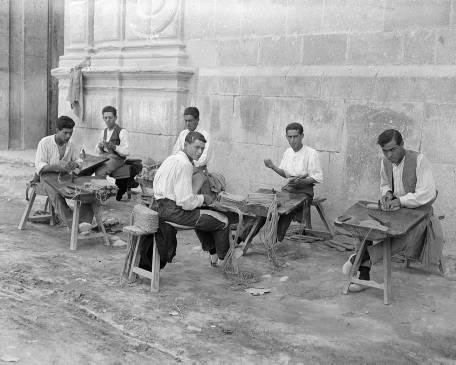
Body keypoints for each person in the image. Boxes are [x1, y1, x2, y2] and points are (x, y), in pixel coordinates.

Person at [342, 129, 444, 292]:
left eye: (392, 149)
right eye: (385, 151)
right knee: (365, 225)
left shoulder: (419, 160)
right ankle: (364, 274)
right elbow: (384, 184)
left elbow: (427, 193)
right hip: (396, 211)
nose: (389, 155)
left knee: (401, 236)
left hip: (419, 213)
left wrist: (401, 201)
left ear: (402, 144)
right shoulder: (385, 162)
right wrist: (388, 194)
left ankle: (359, 259)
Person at [151, 131, 230, 267]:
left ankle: (213, 254)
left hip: (159, 208)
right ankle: (224, 260)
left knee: (203, 215)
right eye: (196, 147)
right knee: (223, 220)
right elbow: (186, 203)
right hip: (175, 213)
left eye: (202, 149)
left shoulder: (171, 159)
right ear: (186, 144)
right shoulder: (185, 164)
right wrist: (204, 197)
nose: (199, 152)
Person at [261, 122, 323, 242]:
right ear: (286, 137)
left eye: (295, 136)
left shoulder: (311, 153)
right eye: (290, 137)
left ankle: (275, 240)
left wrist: (302, 182)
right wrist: (272, 166)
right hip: (290, 188)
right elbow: (286, 174)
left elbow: (317, 177)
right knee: (267, 206)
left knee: (287, 210)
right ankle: (243, 237)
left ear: (302, 136)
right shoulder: (288, 152)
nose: (292, 140)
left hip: (305, 191)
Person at [35, 116, 93, 228]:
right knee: (57, 196)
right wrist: (56, 166)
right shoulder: (45, 142)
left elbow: (78, 161)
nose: (68, 136)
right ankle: (74, 225)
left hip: (65, 177)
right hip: (47, 177)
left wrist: (74, 164)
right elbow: (40, 167)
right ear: (57, 130)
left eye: (70, 133)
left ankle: (84, 222)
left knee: (88, 192)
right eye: (65, 133)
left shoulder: (71, 144)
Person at [94, 105, 129, 178]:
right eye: (105, 118)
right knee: (91, 167)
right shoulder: (103, 131)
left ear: (115, 118)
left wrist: (114, 147)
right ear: (103, 118)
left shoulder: (122, 131)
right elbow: (97, 151)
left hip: (117, 159)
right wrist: (100, 147)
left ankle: (105, 188)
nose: (107, 120)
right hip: (105, 156)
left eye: (110, 117)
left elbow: (126, 151)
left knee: (100, 172)